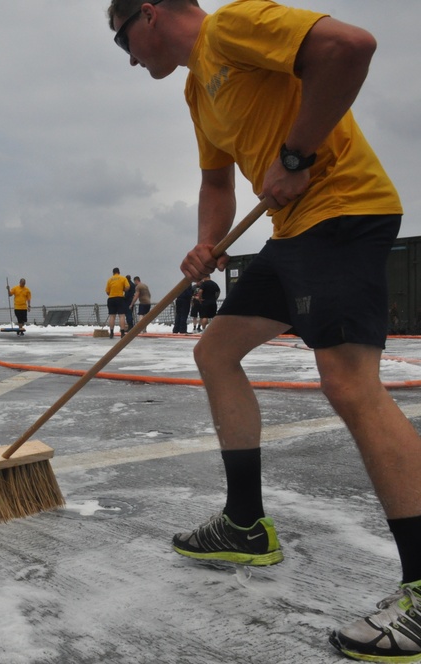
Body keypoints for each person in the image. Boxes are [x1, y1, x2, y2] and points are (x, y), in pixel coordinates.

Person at [107, 1, 421, 660]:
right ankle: (246, 523)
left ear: (153, 13)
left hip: (341, 210)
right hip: (290, 233)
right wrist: (204, 244)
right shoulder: (199, 90)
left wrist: (297, 153)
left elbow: (349, 47)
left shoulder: (232, 26)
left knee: (348, 382)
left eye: (122, 39)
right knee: (215, 351)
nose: (130, 58)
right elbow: (217, 182)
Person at [104, 268, 130, 339]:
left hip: (111, 298)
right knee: (122, 316)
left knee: (112, 316)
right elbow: (127, 287)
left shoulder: (110, 279)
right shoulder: (123, 278)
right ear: (119, 272)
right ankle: (122, 333)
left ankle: (111, 332)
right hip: (120, 298)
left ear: (113, 273)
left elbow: (107, 291)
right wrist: (123, 289)